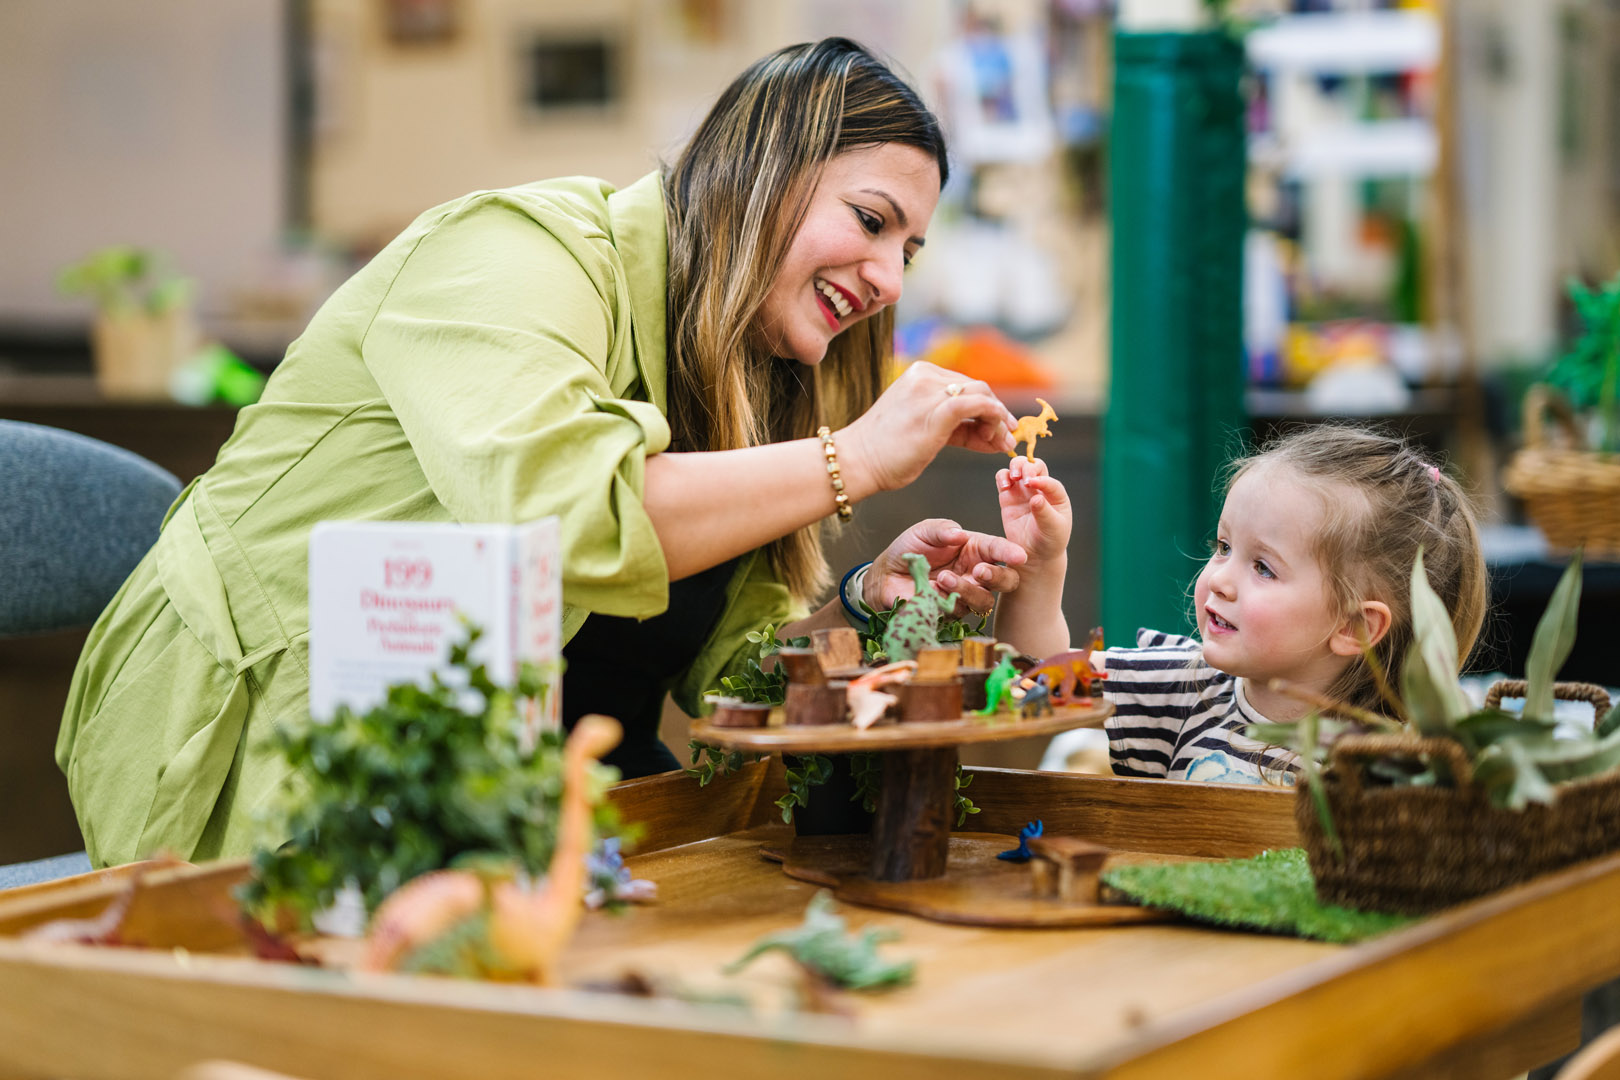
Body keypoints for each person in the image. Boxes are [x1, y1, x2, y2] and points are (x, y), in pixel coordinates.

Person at [58, 38, 1034, 868]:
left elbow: (732, 682)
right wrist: (854, 458)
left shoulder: (752, 377)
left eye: (906, 251)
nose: (885, 279)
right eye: (871, 221)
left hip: (535, 770)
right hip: (280, 726)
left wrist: (863, 602)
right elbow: (557, 519)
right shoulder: (516, 253)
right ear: (761, 170)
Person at [994, 426, 1489, 784]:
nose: (1220, 580)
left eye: (1264, 568)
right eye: (1224, 547)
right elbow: (1036, 682)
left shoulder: (1399, 763)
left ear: (1355, 626)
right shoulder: (1179, 686)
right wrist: (1038, 569)